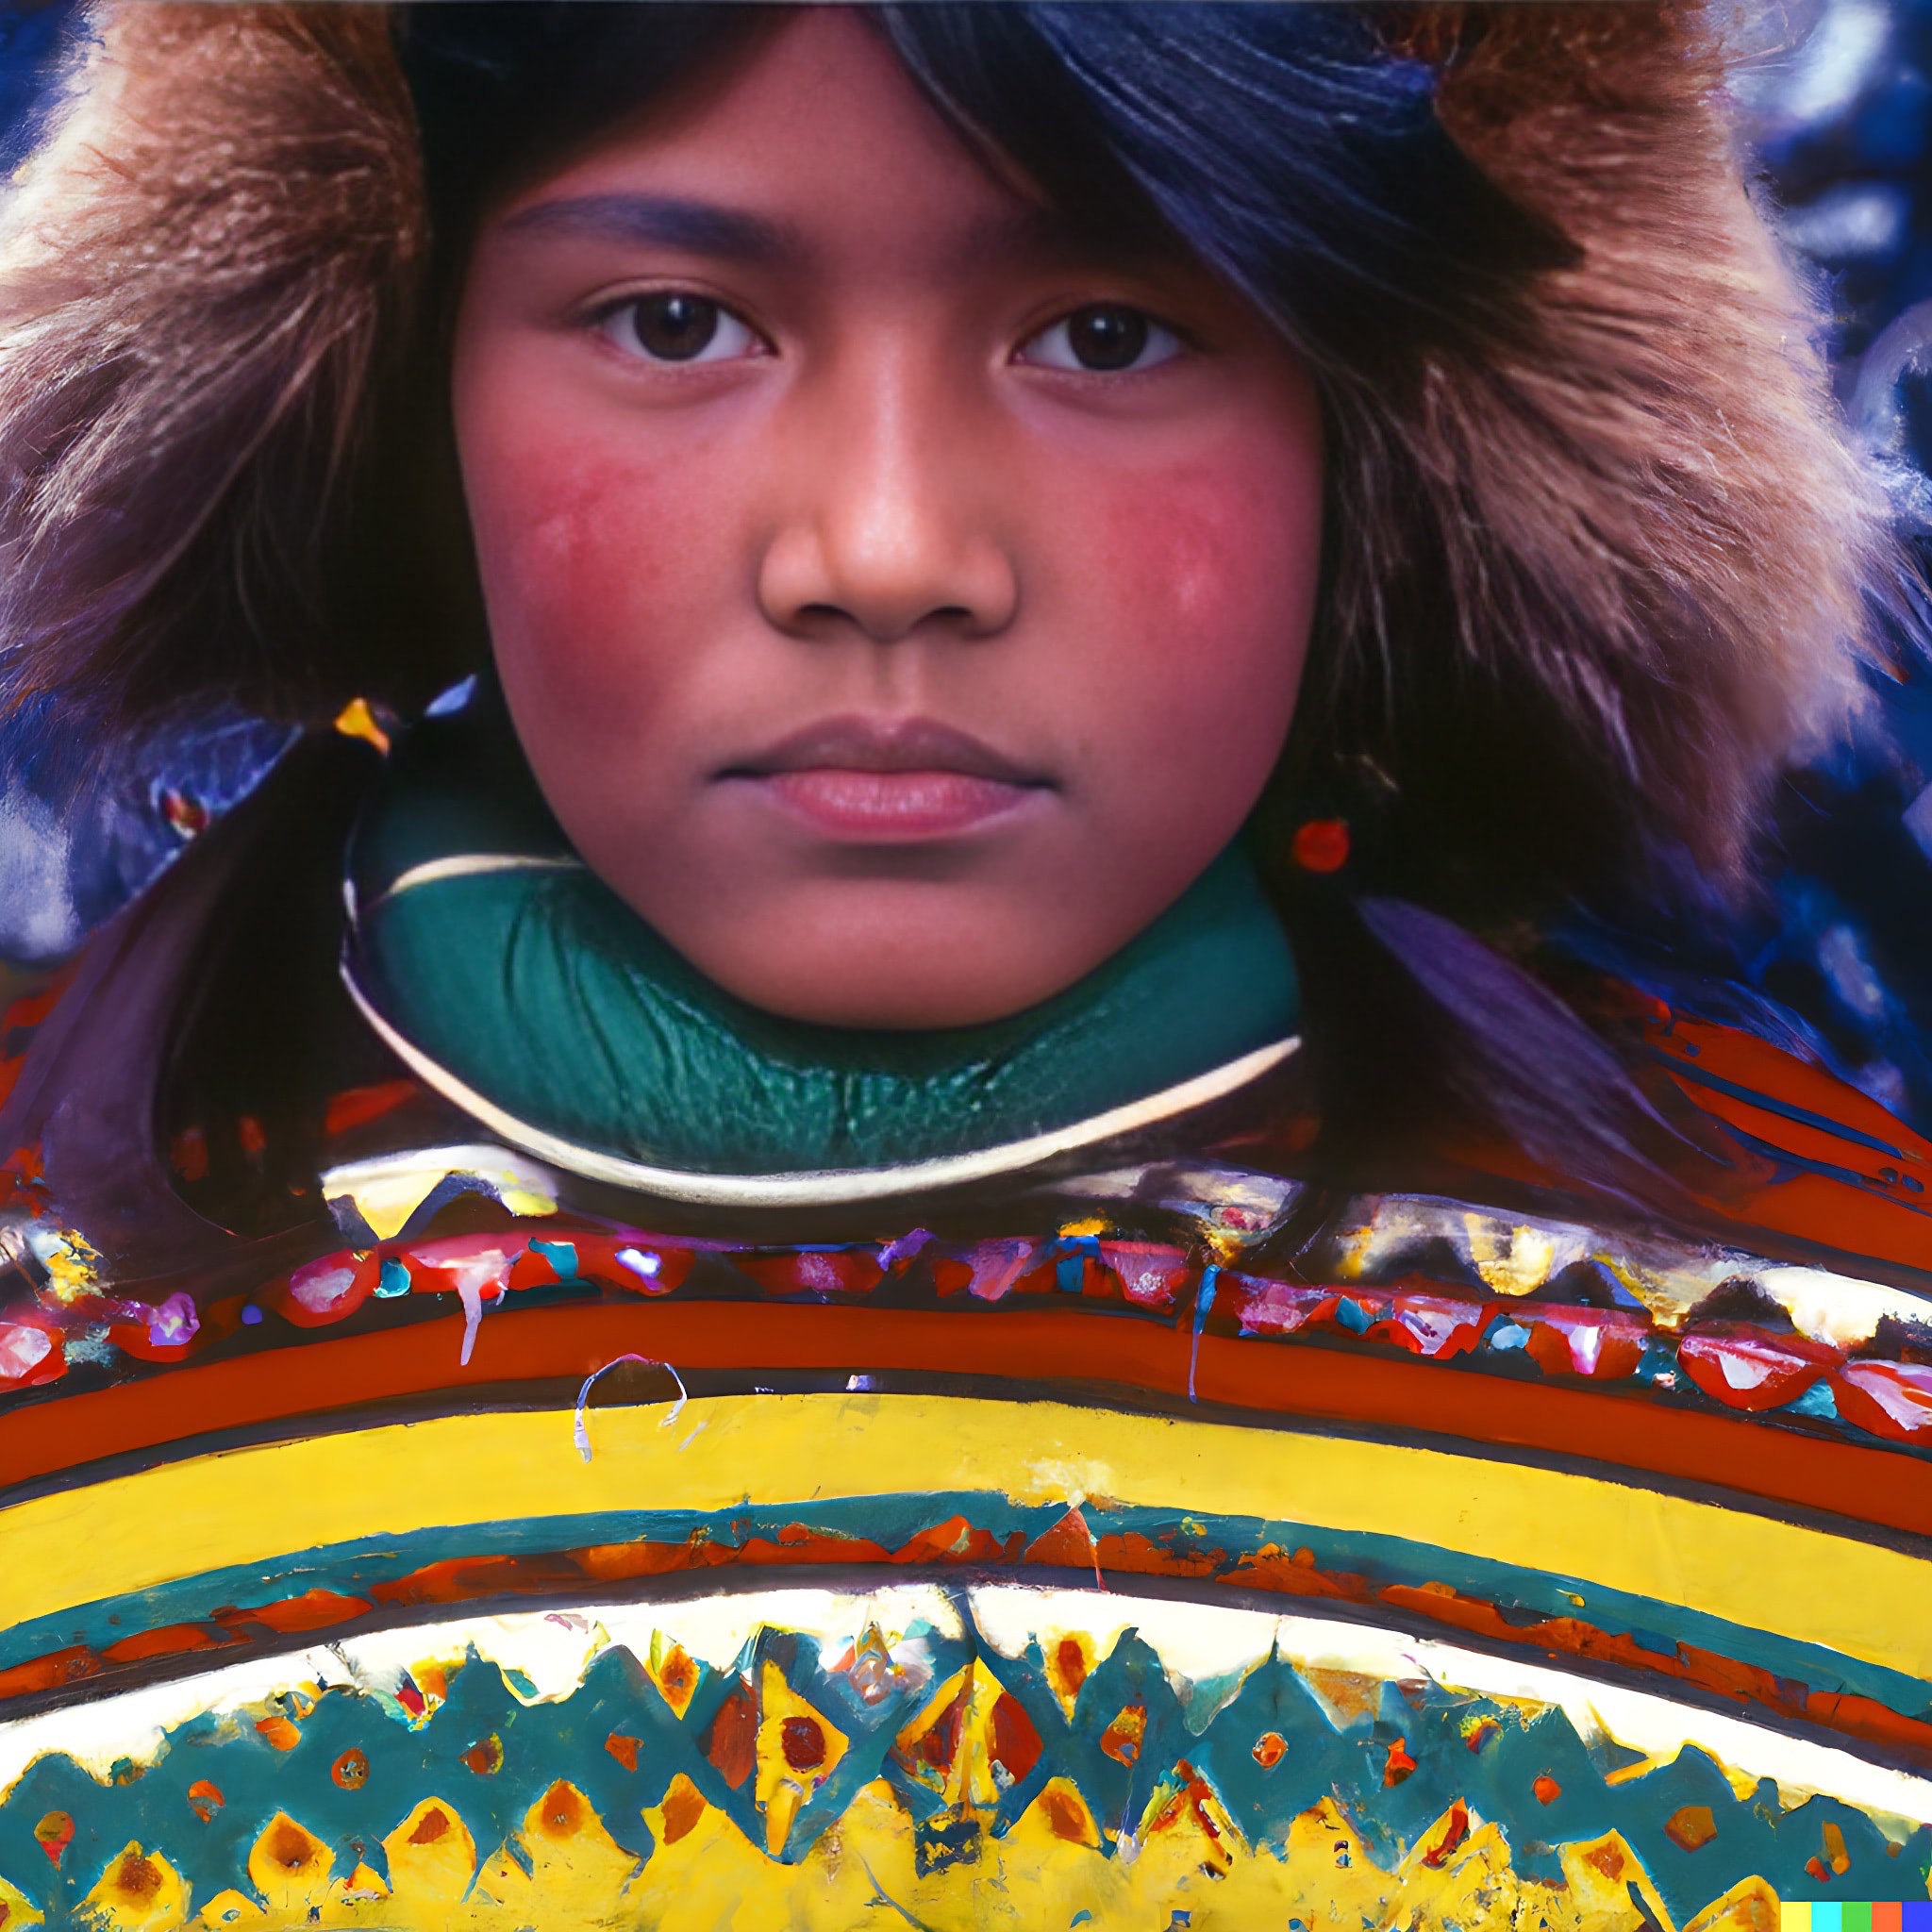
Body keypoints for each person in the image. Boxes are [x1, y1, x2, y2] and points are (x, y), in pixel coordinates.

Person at [0, 7, 1927, 1926]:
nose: (889, 546)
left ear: (1388, 419)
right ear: (393, 387)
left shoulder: (1863, 1428)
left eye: (1105, 330)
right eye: (676, 322)